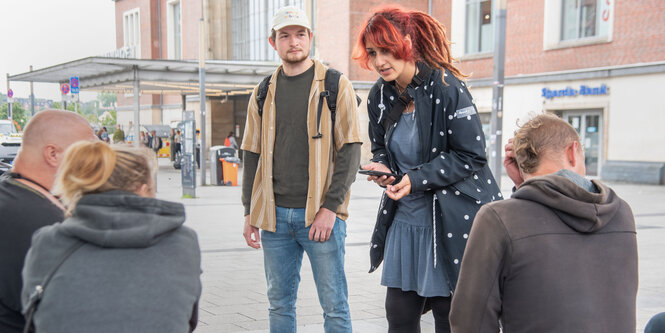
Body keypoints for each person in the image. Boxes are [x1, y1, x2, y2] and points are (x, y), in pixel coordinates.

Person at [352, 5, 501, 332]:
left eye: (387, 50)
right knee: (399, 317)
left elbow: (472, 155)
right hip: (405, 222)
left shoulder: (446, 86)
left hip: (448, 221)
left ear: (407, 41)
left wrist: (416, 178)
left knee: (449, 318)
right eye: (373, 52)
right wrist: (383, 167)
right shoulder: (379, 94)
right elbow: (381, 145)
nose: (379, 62)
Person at [449, 114, 638, 332]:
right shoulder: (621, 213)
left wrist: (525, 187)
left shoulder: (498, 218)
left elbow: (470, 320)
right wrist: (526, 189)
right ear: (572, 152)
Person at [241, 5, 361, 332]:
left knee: (334, 305)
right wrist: (248, 210)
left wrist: (330, 209)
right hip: (274, 218)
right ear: (273, 42)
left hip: (320, 217)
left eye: (300, 34)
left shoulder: (336, 85)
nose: (293, 41)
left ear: (310, 38)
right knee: (279, 304)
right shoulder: (263, 91)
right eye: (285, 35)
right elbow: (251, 152)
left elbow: (351, 150)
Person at [21, 141, 202, 333]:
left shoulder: (48, 242)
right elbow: (187, 319)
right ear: (142, 189)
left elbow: (33, 314)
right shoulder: (182, 242)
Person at [0, 110, 96, 333]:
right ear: (53, 154)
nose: (96, 163)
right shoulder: (47, 226)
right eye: (88, 151)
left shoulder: (12, 196)